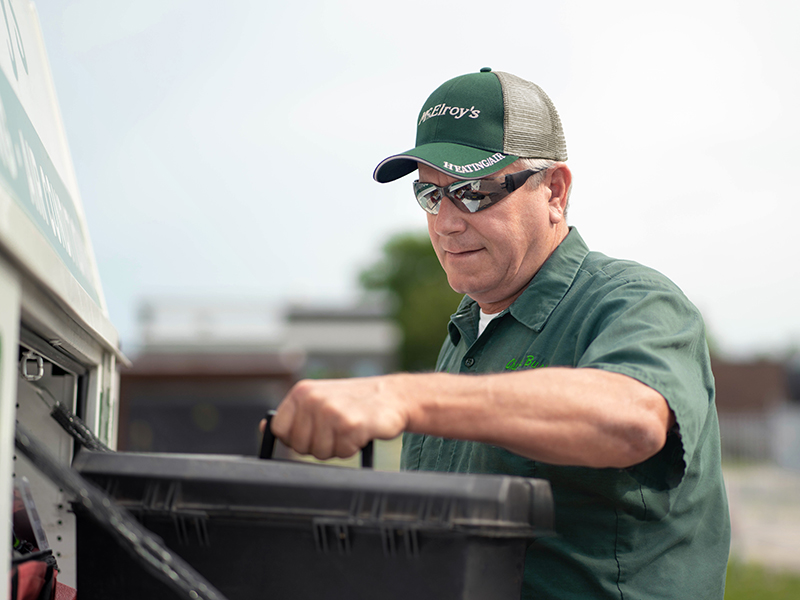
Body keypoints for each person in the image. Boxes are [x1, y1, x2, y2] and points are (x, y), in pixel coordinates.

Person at [265, 68, 731, 599]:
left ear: (554, 191)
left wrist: (401, 394)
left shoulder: (634, 300)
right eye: (430, 195)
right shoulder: (466, 333)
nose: (445, 222)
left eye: (473, 191)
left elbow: (633, 419)